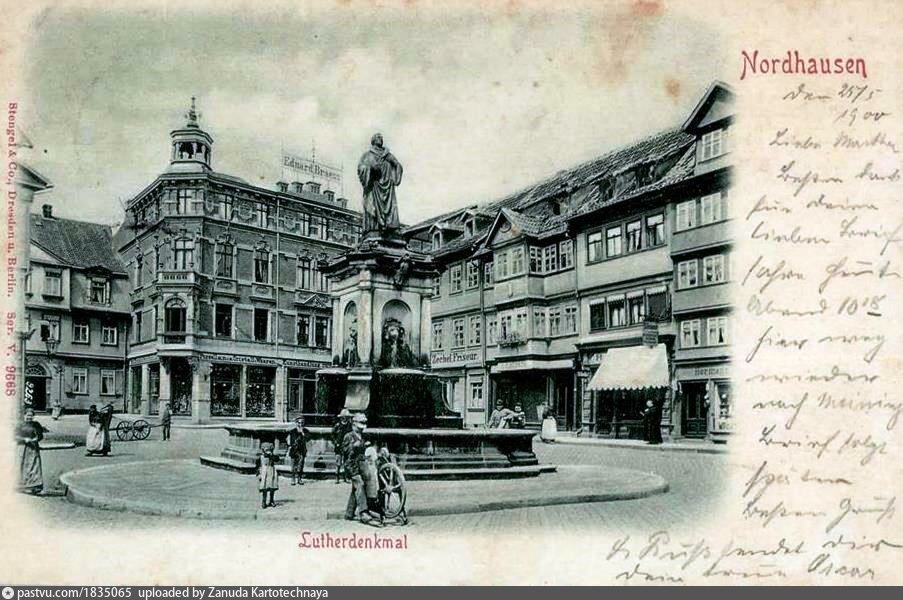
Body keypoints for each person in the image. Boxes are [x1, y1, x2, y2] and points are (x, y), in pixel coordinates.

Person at [357, 133, 403, 234]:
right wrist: (370, 168)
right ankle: (375, 227)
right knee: (372, 208)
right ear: (373, 140)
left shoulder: (387, 154)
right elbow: (361, 168)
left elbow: (397, 165)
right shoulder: (367, 155)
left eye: (381, 137)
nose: (380, 138)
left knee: (391, 208)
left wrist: (396, 177)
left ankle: (389, 226)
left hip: (387, 187)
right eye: (378, 137)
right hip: (374, 186)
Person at [343, 413, 380, 524]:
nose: (362, 427)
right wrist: (354, 446)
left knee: (356, 488)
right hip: (352, 466)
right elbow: (346, 452)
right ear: (354, 424)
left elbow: (364, 452)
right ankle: (363, 512)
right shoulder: (348, 436)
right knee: (359, 485)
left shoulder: (363, 436)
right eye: (360, 423)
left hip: (362, 465)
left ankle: (349, 513)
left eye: (364, 423)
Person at [16, 409, 45, 495]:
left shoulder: (36, 425)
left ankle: (35, 486)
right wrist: (24, 439)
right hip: (22, 448)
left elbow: (40, 436)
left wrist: (36, 439)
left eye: (31, 416)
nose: (29, 417)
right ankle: (22, 485)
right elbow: (14, 436)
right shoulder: (20, 425)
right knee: (23, 466)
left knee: (34, 466)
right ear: (24, 415)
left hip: (33, 448)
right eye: (27, 415)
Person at [331, 409, 353, 484]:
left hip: (347, 446)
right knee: (338, 463)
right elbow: (332, 434)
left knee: (346, 463)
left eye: (346, 417)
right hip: (338, 446)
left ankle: (346, 477)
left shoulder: (350, 425)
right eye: (343, 417)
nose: (344, 418)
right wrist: (335, 442)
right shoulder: (337, 425)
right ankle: (337, 478)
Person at [288, 416, 311, 485]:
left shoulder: (306, 431)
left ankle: (299, 478)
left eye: (302, 423)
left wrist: (303, 433)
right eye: (299, 422)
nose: (300, 424)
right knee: (293, 466)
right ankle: (293, 479)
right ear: (296, 423)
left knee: (300, 466)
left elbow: (308, 439)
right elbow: (290, 440)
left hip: (302, 450)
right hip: (294, 450)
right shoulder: (292, 431)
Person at [256, 442, 280, 509]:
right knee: (265, 488)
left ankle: (271, 501)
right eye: (266, 450)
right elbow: (258, 465)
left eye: (269, 449)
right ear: (263, 450)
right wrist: (258, 473)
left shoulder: (272, 456)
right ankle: (264, 502)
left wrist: (271, 455)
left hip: (271, 470)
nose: (267, 451)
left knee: (272, 486)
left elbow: (277, 459)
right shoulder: (261, 457)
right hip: (264, 472)